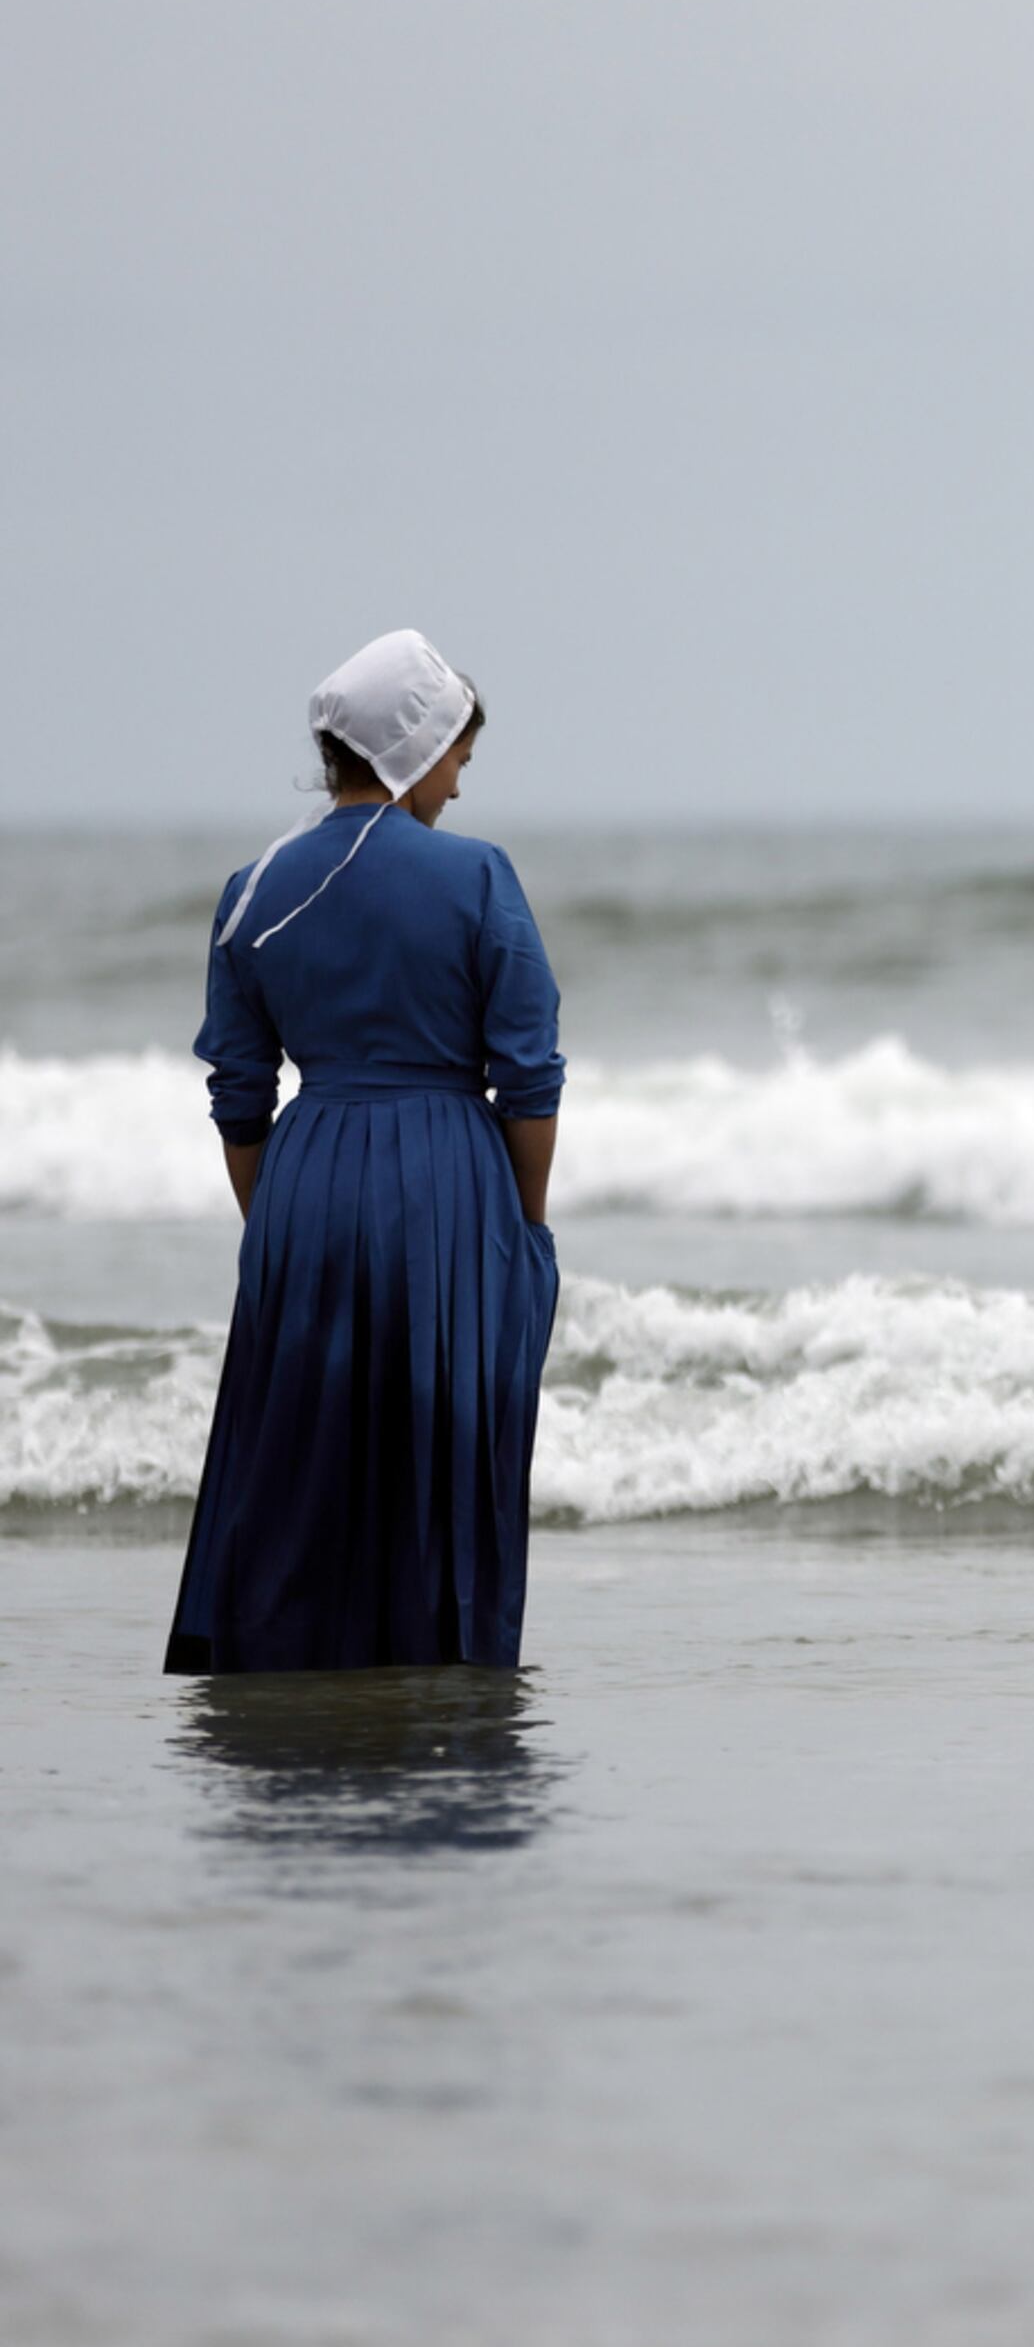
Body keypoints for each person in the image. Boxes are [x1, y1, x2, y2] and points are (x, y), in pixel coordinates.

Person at [169, 630, 563, 1673]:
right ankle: (436, 1665)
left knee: (305, 1460)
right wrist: (523, 1229)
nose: (459, 790)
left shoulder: (252, 889)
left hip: (304, 1180)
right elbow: (529, 1076)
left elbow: (239, 1096)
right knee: (441, 1456)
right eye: (456, 761)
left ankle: (291, 1670)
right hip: (450, 1185)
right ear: (411, 748)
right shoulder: (478, 877)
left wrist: (290, 1224)